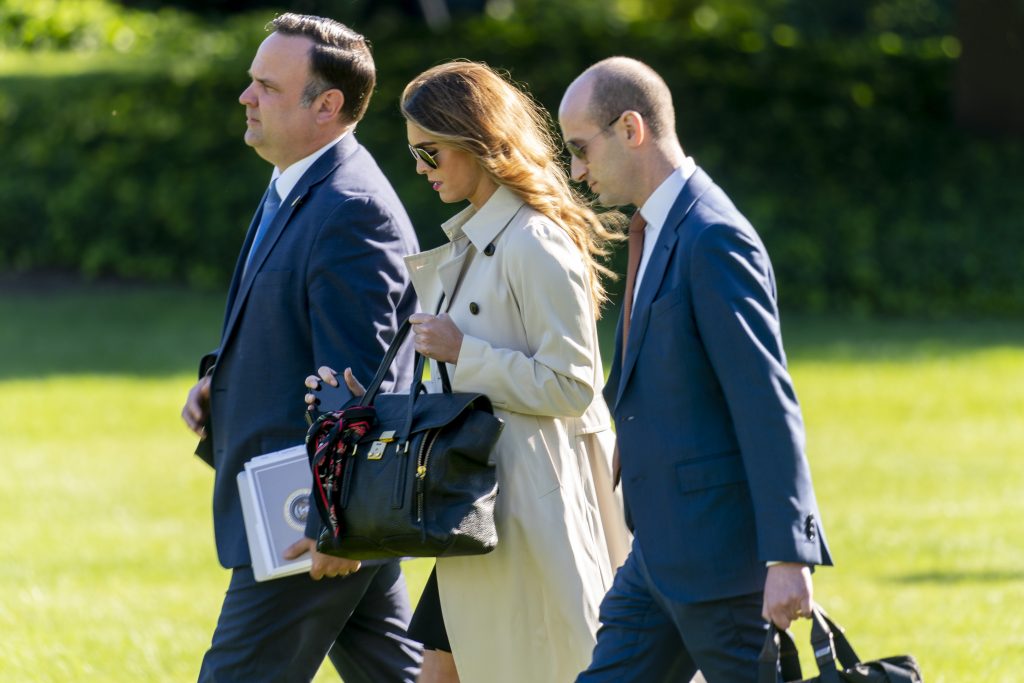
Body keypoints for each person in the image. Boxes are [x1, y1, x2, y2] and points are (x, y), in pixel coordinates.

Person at [308, 61, 629, 683]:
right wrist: (372, 416)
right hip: (474, 506)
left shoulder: (535, 241)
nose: (422, 172)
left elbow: (573, 384)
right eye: (414, 156)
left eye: (431, 154)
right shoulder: (473, 241)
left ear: (475, 141)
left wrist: (462, 352)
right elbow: (464, 396)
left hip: (530, 511)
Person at [558, 57, 833, 682]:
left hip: (719, 564)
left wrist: (790, 555)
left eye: (580, 149)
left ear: (631, 128)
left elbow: (766, 402)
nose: (575, 172)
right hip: (656, 553)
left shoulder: (714, 237)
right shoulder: (651, 227)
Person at [180, 13, 422, 682]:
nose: (245, 97)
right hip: (306, 504)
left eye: (267, 86)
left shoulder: (351, 207)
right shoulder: (294, 181)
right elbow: (289, 328)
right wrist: (218, 384)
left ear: (328, 106)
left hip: (306, 518)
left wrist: (334, 517)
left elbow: (363, 377)